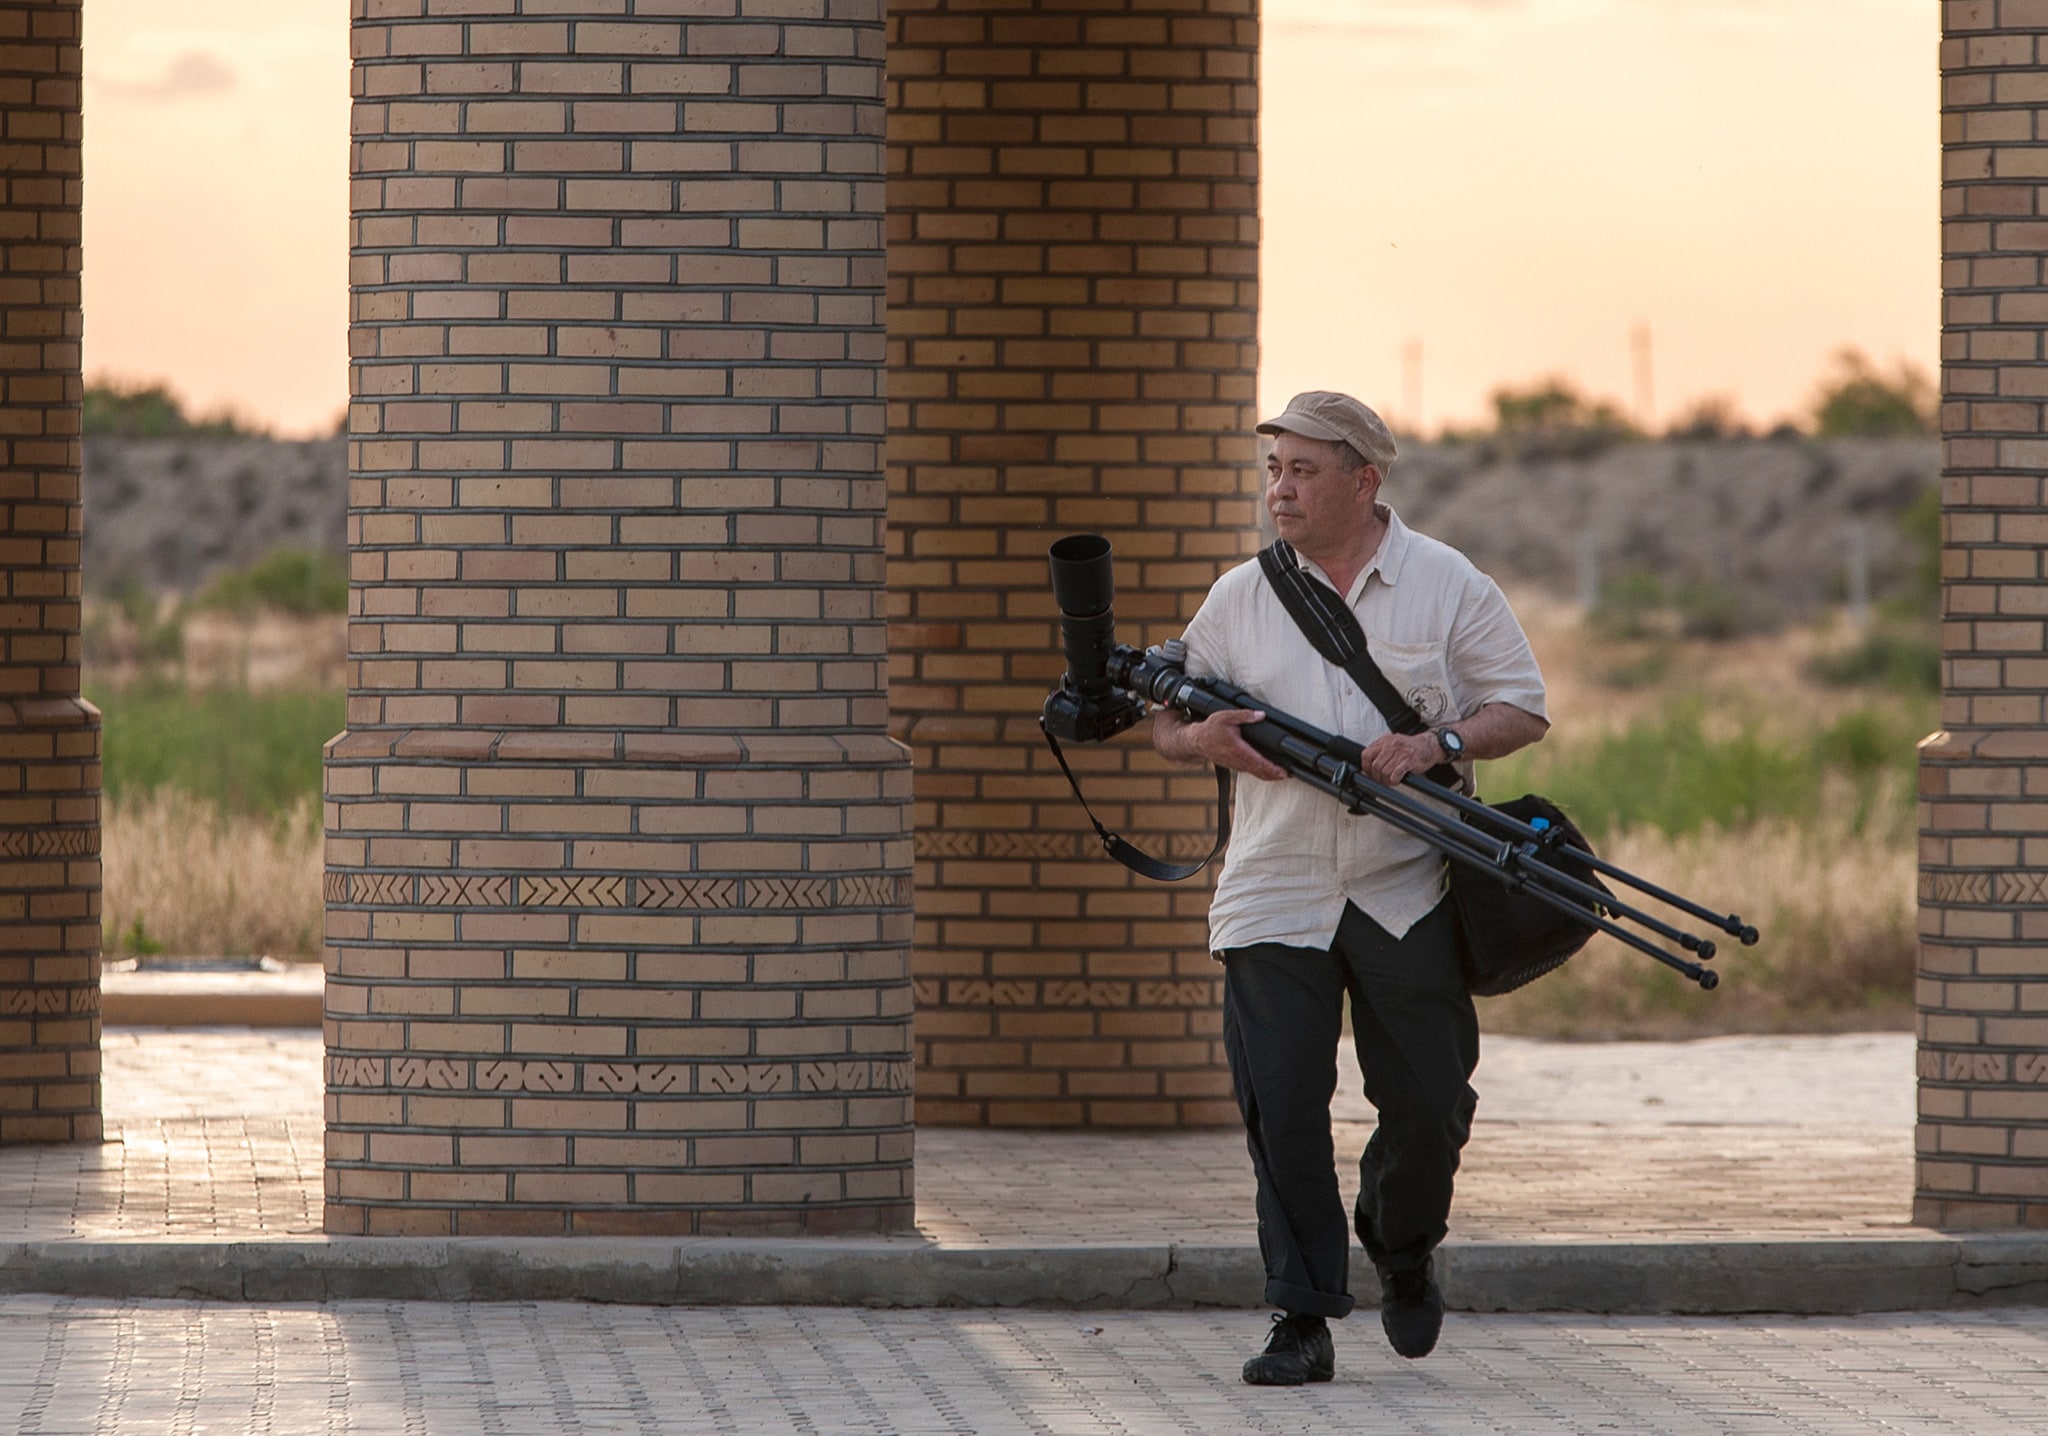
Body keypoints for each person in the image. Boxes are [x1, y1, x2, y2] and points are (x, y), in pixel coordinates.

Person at [1152, 390, 1549, 1385]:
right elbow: (1164, 718)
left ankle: (1400, 1237)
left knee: (1427, 1104)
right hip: (1271, 889)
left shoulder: (1446, 582)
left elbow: (1520, 708)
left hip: (1402, 886)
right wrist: (1198, 739)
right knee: (1279, 1103)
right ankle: (1300, 1313)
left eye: (1300, 470)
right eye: (1272, 469)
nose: (1278, 489)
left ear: (1361, 480)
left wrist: (1435, 742)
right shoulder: (1238, 594)